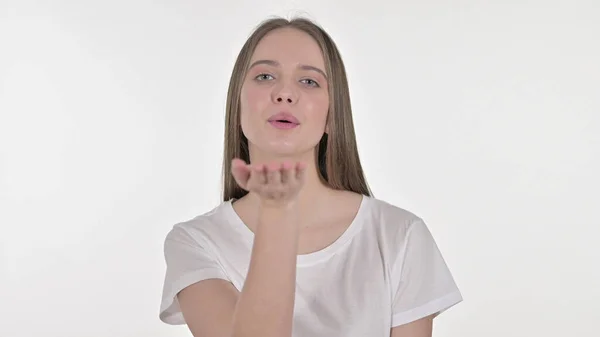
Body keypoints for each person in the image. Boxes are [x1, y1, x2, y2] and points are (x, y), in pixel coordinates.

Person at [158, 16, 462, 337]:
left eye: (309, 82)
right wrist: (278, 212)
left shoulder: (398, 235)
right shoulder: (195, 242)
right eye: (264, 76)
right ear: (237, 106)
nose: (285, 93)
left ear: (332, 116)